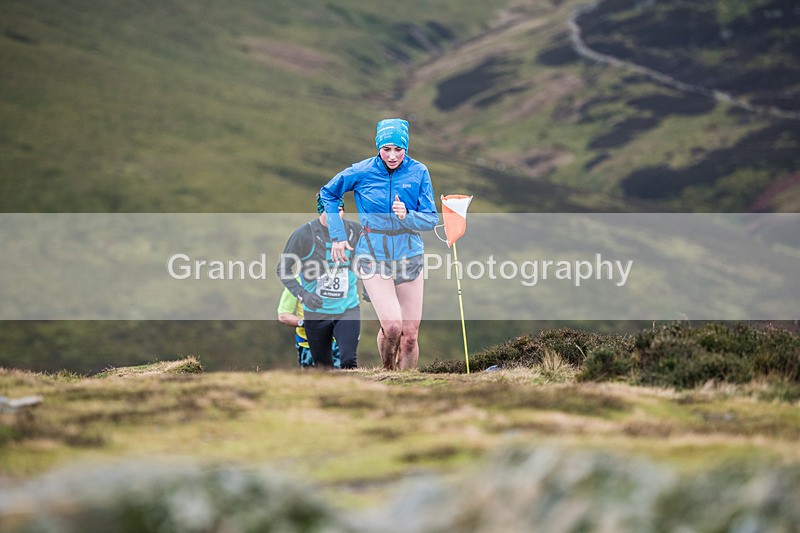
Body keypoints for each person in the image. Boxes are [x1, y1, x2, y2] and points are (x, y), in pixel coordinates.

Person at [320, 118, 437, 370]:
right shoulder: (362, 171)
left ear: (406, 147)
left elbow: (431, 220)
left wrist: (408, 215)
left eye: (398, 149)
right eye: (386, 149)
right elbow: (328, 193)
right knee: (393, 327)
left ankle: (408, 390)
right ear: (378, 147)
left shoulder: (419, 172)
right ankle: (388, 373)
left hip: (410, 253)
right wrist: (338, 236)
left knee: (410, 336)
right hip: (372, 253)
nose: (392, 156)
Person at [276, 194, 361, 369]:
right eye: (329, 211)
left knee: (348, 362)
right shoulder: (303, 235)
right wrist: (303, 294)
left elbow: (372, 260)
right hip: (316, 311)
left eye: (339, 211)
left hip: (347, 308)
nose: (334, 216)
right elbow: (283, 269)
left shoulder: (355, 231)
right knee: (323, 368)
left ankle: (352, 394)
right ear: (320, 211)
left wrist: (371, 287)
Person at [277, 286, 341, 368]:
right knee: (313, 378)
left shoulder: (336, 279)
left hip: (335, 343)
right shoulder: (296, 282)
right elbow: (283, 315)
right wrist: (304, 323)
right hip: (307, 345)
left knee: (340, 378)